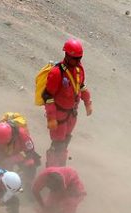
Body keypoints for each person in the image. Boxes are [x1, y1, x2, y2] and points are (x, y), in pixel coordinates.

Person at [42, 39, 92, 167]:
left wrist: (87, 102)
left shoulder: (79, 69)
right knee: (58, 144)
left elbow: (81, 86)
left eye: (79, 58)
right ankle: (52, 170)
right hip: (59, 115)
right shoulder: (57, 73)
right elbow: (47, 96)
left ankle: (61, 167)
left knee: (65, 142)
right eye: (75, 59)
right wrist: (51, 117)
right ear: (67, 56)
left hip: (71, 114)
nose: (78, 61)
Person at [0, 114, 39, 182]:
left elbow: (30, 150)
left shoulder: (22, 134)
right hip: (3, 153)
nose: (5, 144)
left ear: (12, 136)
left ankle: (28, 181)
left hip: (17, 152)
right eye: (1, 142)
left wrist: (29, 159)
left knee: (31, 165)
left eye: (6, 142)